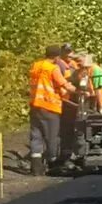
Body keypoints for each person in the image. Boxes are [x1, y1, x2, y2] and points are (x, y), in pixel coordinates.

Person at [29, 45, 76, 176]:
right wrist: (79, 90)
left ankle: (36, 167)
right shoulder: (52, 68)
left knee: (36, 136)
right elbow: (64, 84)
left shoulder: (36, 66)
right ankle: (53, 164)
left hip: (35, 105)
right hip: (49, 106)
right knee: (52, 137)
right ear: (56, 57)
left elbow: (45, 82)